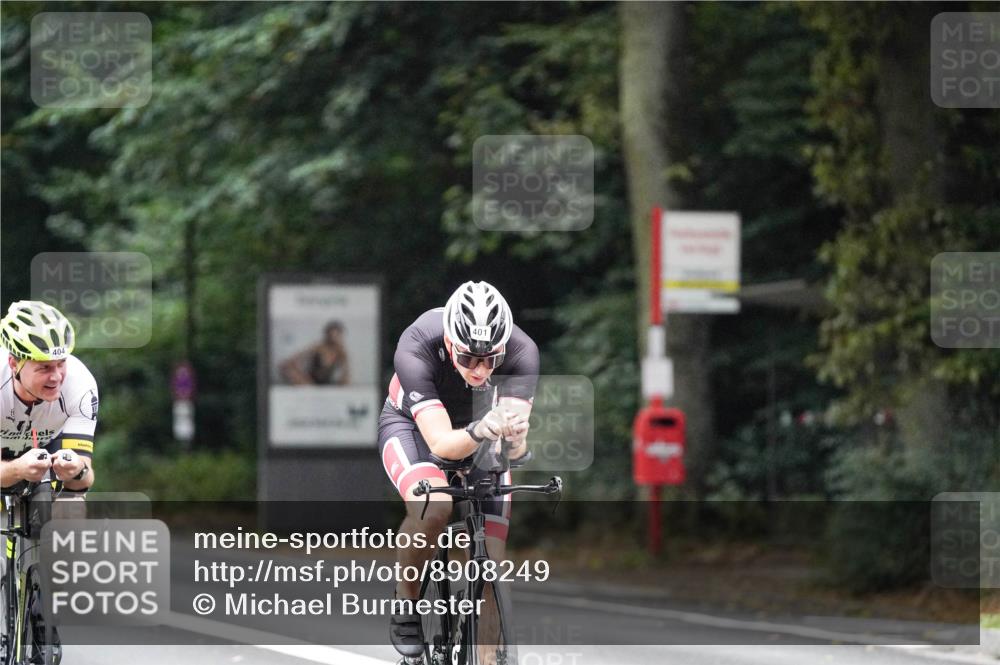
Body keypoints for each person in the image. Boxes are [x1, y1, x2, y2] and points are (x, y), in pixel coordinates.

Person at [378, 281, 538, 661]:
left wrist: (516, 441)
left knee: (491, 562)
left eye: (491, 360)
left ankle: (486, 655)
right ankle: (406, 598)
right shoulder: (418, 343)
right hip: (415, 428)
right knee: (434, 508)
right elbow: (440, 444)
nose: (480, 370)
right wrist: (482, 429)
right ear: (450, 343)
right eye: (468, 358)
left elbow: (514, 451)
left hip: (481, 432)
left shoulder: (522, 352)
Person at [0, 300, 97, 665]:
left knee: (72, 507)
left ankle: (46, 596)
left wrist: (75, 470)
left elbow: (85, 475)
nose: (56, 376)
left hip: (46, 445)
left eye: (60, 364)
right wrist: (16, 469)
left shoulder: (80, 384)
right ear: (15, 363)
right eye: (43, 367)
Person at [280, 320, 351, 385]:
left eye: (336, 336)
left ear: (340, 336)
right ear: (327, 335)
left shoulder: (341, 352)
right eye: (331, 335)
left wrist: (343, 382)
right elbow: (294, 359)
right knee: (286, 367)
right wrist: (297, 373)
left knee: (346, 381)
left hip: (326, 384)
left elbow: (346, 373)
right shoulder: (318, 347)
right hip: (309, 382)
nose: (333, 338)